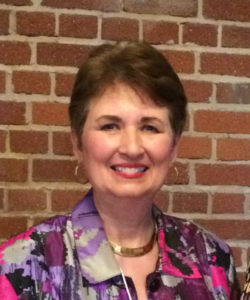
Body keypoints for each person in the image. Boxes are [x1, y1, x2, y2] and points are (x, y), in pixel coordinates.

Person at [0, 42, 240, 299]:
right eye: (110, 126)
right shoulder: (23, 265)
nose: (132, 148)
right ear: (78, 143)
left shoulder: (213, 260)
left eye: (150, 127)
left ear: (174, 147)